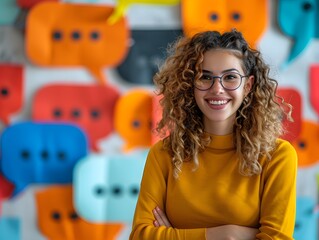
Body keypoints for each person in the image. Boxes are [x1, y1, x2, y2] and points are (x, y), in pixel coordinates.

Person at [129, 29, 297, 240]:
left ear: (248, 85)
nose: (217, 88)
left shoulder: (278, 157)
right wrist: (226, 234)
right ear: (191, 84)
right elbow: (141, 236)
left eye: (230, 77)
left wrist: (173, 235)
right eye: (205, 77)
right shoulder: (165, 154)